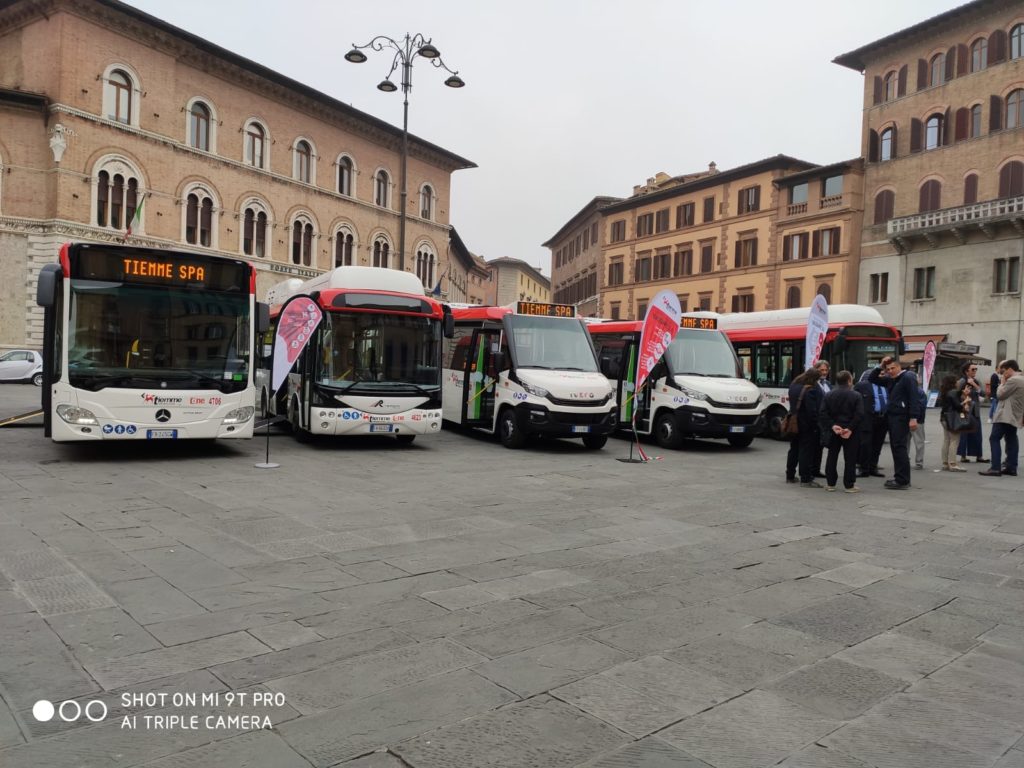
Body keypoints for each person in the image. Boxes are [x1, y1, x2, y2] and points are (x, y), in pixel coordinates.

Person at [869, 356, 923, 490]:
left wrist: (913, 418)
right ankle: (900, 477)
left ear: (899, 367)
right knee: (896, 448)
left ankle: (902, 480)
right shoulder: (892, 380)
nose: (891, 371)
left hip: (901, 417)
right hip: (893, 417)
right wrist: (880, 366)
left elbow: (913, 397)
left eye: (893, 368)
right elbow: (872, 379)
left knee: (899, 448)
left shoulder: (908, 377)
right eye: (888, 369)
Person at [818, 370, 864, 492]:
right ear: (849, 380)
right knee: (850, 458)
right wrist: (850, 428)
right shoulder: (856, 395)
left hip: (834, 430)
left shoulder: (829, 395)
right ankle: (849, 485)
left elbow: (822, 413)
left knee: (832, 456)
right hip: (851, 432)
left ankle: (830, 483)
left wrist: (833, 426)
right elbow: (859, 414)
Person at [979, 360, 1024, 477]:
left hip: (1005, 415)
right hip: (1014, 415)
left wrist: (1002, 383)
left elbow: (1000, 395)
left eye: (1003, 371)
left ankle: (995, 467)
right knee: (1011, 439)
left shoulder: (1013, 380)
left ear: (1010, 369)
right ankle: (1011, 467)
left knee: (994, 438)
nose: (1002, 374)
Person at [785, 368, 824, 488]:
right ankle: (805, 479)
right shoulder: (809, 390)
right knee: (805, 451)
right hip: (805, 425)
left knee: (794, 449)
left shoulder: (794, 385)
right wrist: (816, 425)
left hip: (793, 423)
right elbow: (812, 412)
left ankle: (790, 475)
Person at [854, 369, 887, 478]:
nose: (882, 375)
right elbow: (855, 402)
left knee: (877, 444)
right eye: (880, 374)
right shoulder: (862, 386)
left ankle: (873, 467)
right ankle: (863, 468)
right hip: (867, 418)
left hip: (883, 418)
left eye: (883, 374)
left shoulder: (887, 384)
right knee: (865, 444)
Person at [956, 362, 986, 463]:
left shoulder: (976, 381)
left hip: (975, 410)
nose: (975, 371)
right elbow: (956, 395)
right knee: (964, 433)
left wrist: (974, 384)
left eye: (976, 369)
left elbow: (983, 393)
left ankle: (979, 455)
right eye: (973, 369)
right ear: (966, 371)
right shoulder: (961, 381)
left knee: (977, 433)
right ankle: (963, 456)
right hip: (965, 410)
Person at [938, 374, 968, 472]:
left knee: (946, 440)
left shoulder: (944, 392)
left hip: (944, 418)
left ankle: (945, 463)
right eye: (956, 380)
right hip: (952, 419)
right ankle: (953, 463)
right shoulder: (953, 392)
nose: (958, 382)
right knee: (954, 440)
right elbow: (958, 406)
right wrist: (965, 401)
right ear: (953, 383)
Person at [812, 360, 831, 477]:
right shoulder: (813, 384)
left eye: (826, 370)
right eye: (821, 370)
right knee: (813, 447)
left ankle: (816, 469)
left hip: (825, 421)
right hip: (816, 420)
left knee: (820, 447)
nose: (824, 372)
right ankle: (810, 470)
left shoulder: (828, 384)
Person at [911, 371, 929, 469]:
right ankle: (919, 462)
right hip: (918, 420)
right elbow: (922, 406)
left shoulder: (907, 390)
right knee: (919, 442)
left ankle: (905, 459)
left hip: (907, 419)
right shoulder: (920, 391)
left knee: (906, 442)